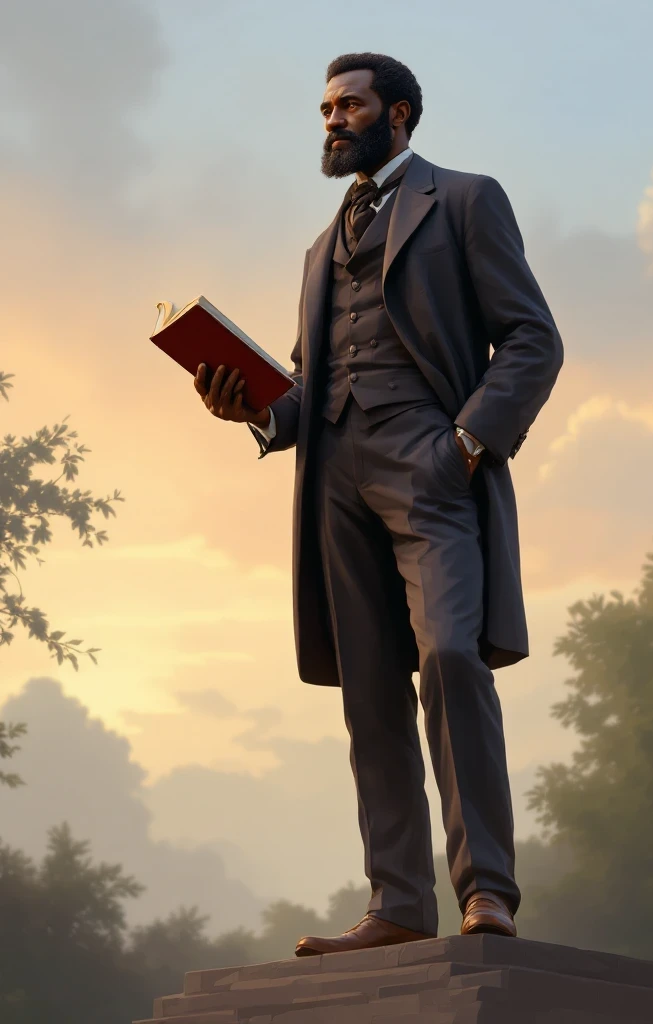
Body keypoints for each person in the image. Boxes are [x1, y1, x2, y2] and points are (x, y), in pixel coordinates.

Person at [194, 52, 563, 956]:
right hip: (331, 479)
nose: (331, 119)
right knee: (368, 692)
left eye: (348, 105)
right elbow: (306, 390)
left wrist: (466, 446)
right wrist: (248, 405)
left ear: (398, 114)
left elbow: (532, 339)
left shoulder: (467, 200)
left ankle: (488, 893)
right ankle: (398, 904)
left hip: (431, 465)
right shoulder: (320, 248)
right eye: (324, 107)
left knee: (449, 658)